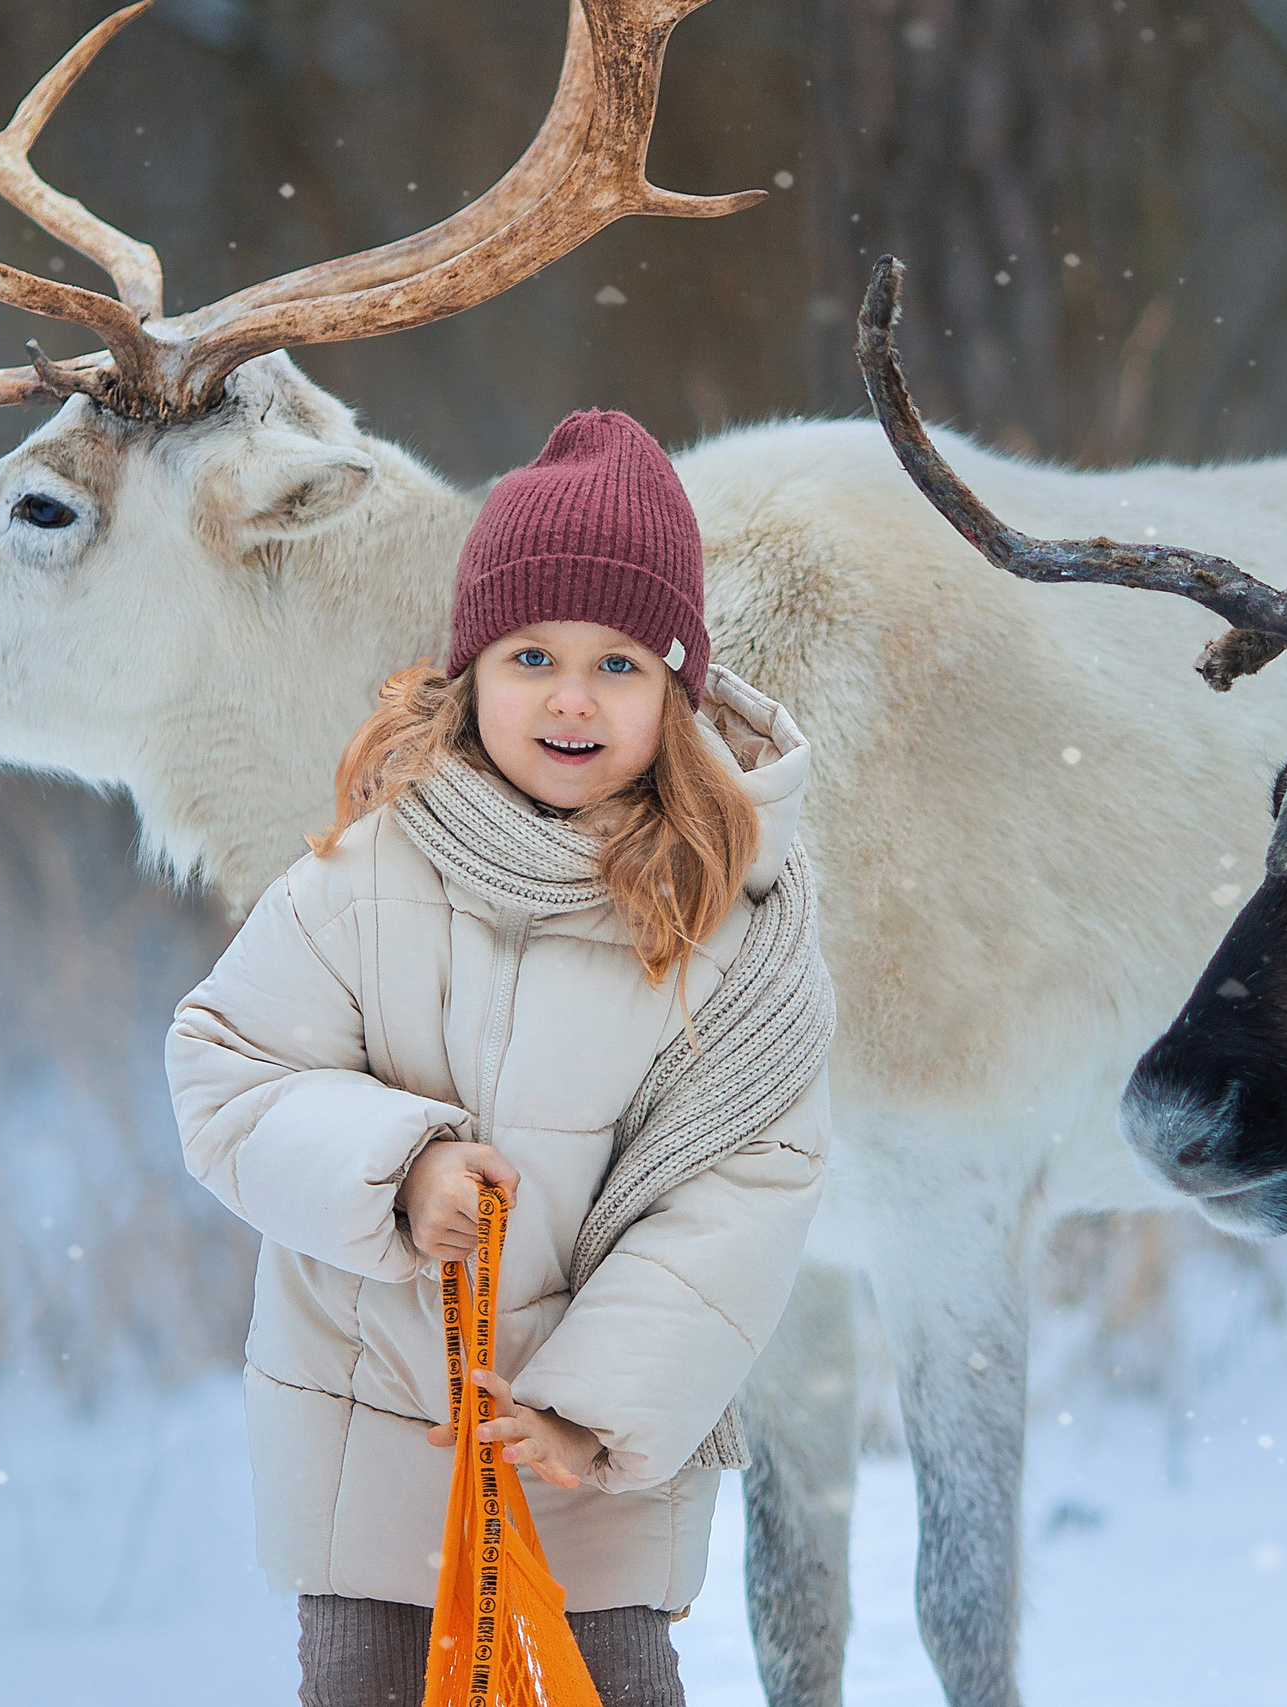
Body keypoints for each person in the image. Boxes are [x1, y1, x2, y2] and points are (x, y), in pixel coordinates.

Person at [167, 409, 834, 1707]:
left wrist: (597, 1406)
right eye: (532, 654)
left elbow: (743, 1185)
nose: (572, 696)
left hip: (585, 1481)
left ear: (679, 689)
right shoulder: (363, 874)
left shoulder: (723, 919)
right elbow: (226, 1072)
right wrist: (394, 1166)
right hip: (376, 1476)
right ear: (470, 669)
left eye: (620, 663)